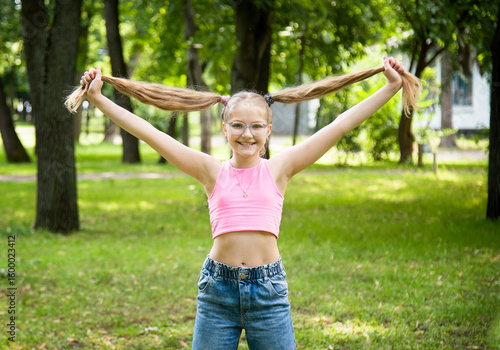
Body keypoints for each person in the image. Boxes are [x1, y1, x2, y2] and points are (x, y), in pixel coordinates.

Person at [68, 56, 420, 349]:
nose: (246, 134)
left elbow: (340, 125)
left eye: (255, 127)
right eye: (237, 126)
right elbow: (150, 133)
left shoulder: (280, 169)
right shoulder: (211, 171)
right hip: (217, 292)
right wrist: (97, 98)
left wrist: (389, 87)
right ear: (224, 129)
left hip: (268, 293)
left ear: (268, 130)